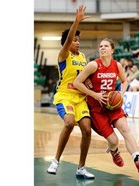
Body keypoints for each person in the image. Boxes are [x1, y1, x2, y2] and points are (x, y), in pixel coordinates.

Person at [73, 38, 139, 177]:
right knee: (114, 141)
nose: (102, 48)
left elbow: (124, 81)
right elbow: (77, 82)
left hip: (113, 105)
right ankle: (114, 151)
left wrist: (121, 94)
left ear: (112, 50)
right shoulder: (93, 65)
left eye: (105, 46)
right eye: (100, 46)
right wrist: (95, 95)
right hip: (97, 109)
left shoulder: (117, 66)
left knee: (125, 129)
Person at [46, 5, 95, 179]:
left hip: (80, 99)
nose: (77, 42)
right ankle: (56, 161)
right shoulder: (63, 54)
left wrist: (90, 85)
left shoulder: (83, 58)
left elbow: (86, 78)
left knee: (87, 131)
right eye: (75, 39)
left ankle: (81, 168)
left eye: (78, 40)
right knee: (68, 122)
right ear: (68, 42)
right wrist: (76, 21)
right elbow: (67, 42)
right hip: (65, 96)